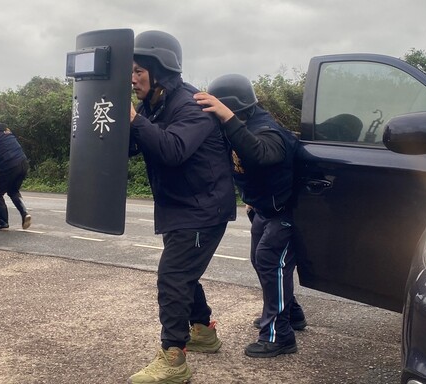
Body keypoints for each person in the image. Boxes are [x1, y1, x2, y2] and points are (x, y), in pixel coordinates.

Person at [127, 31, 236, 384]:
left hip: (203, 209)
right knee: (183, 273)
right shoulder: (154, 105)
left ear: (161, 70)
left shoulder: (193, 105)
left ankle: (173, 358)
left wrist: (133, 120)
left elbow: (173, 150)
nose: (133, 78)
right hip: (180, 205)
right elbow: (136, 145)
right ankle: (203, 331)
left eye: (139, 71)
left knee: (173, 276)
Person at [194, 74, 306, 358]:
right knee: (261, 260)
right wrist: (251, 201)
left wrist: (226, 116)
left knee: (271, 261)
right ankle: (290, 313)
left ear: (234, 108)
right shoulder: (238, 127)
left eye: (217, 110)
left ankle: (279, 336)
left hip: (286, 212)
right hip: (263, 210)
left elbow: (262, 154)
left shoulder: (267, 129)